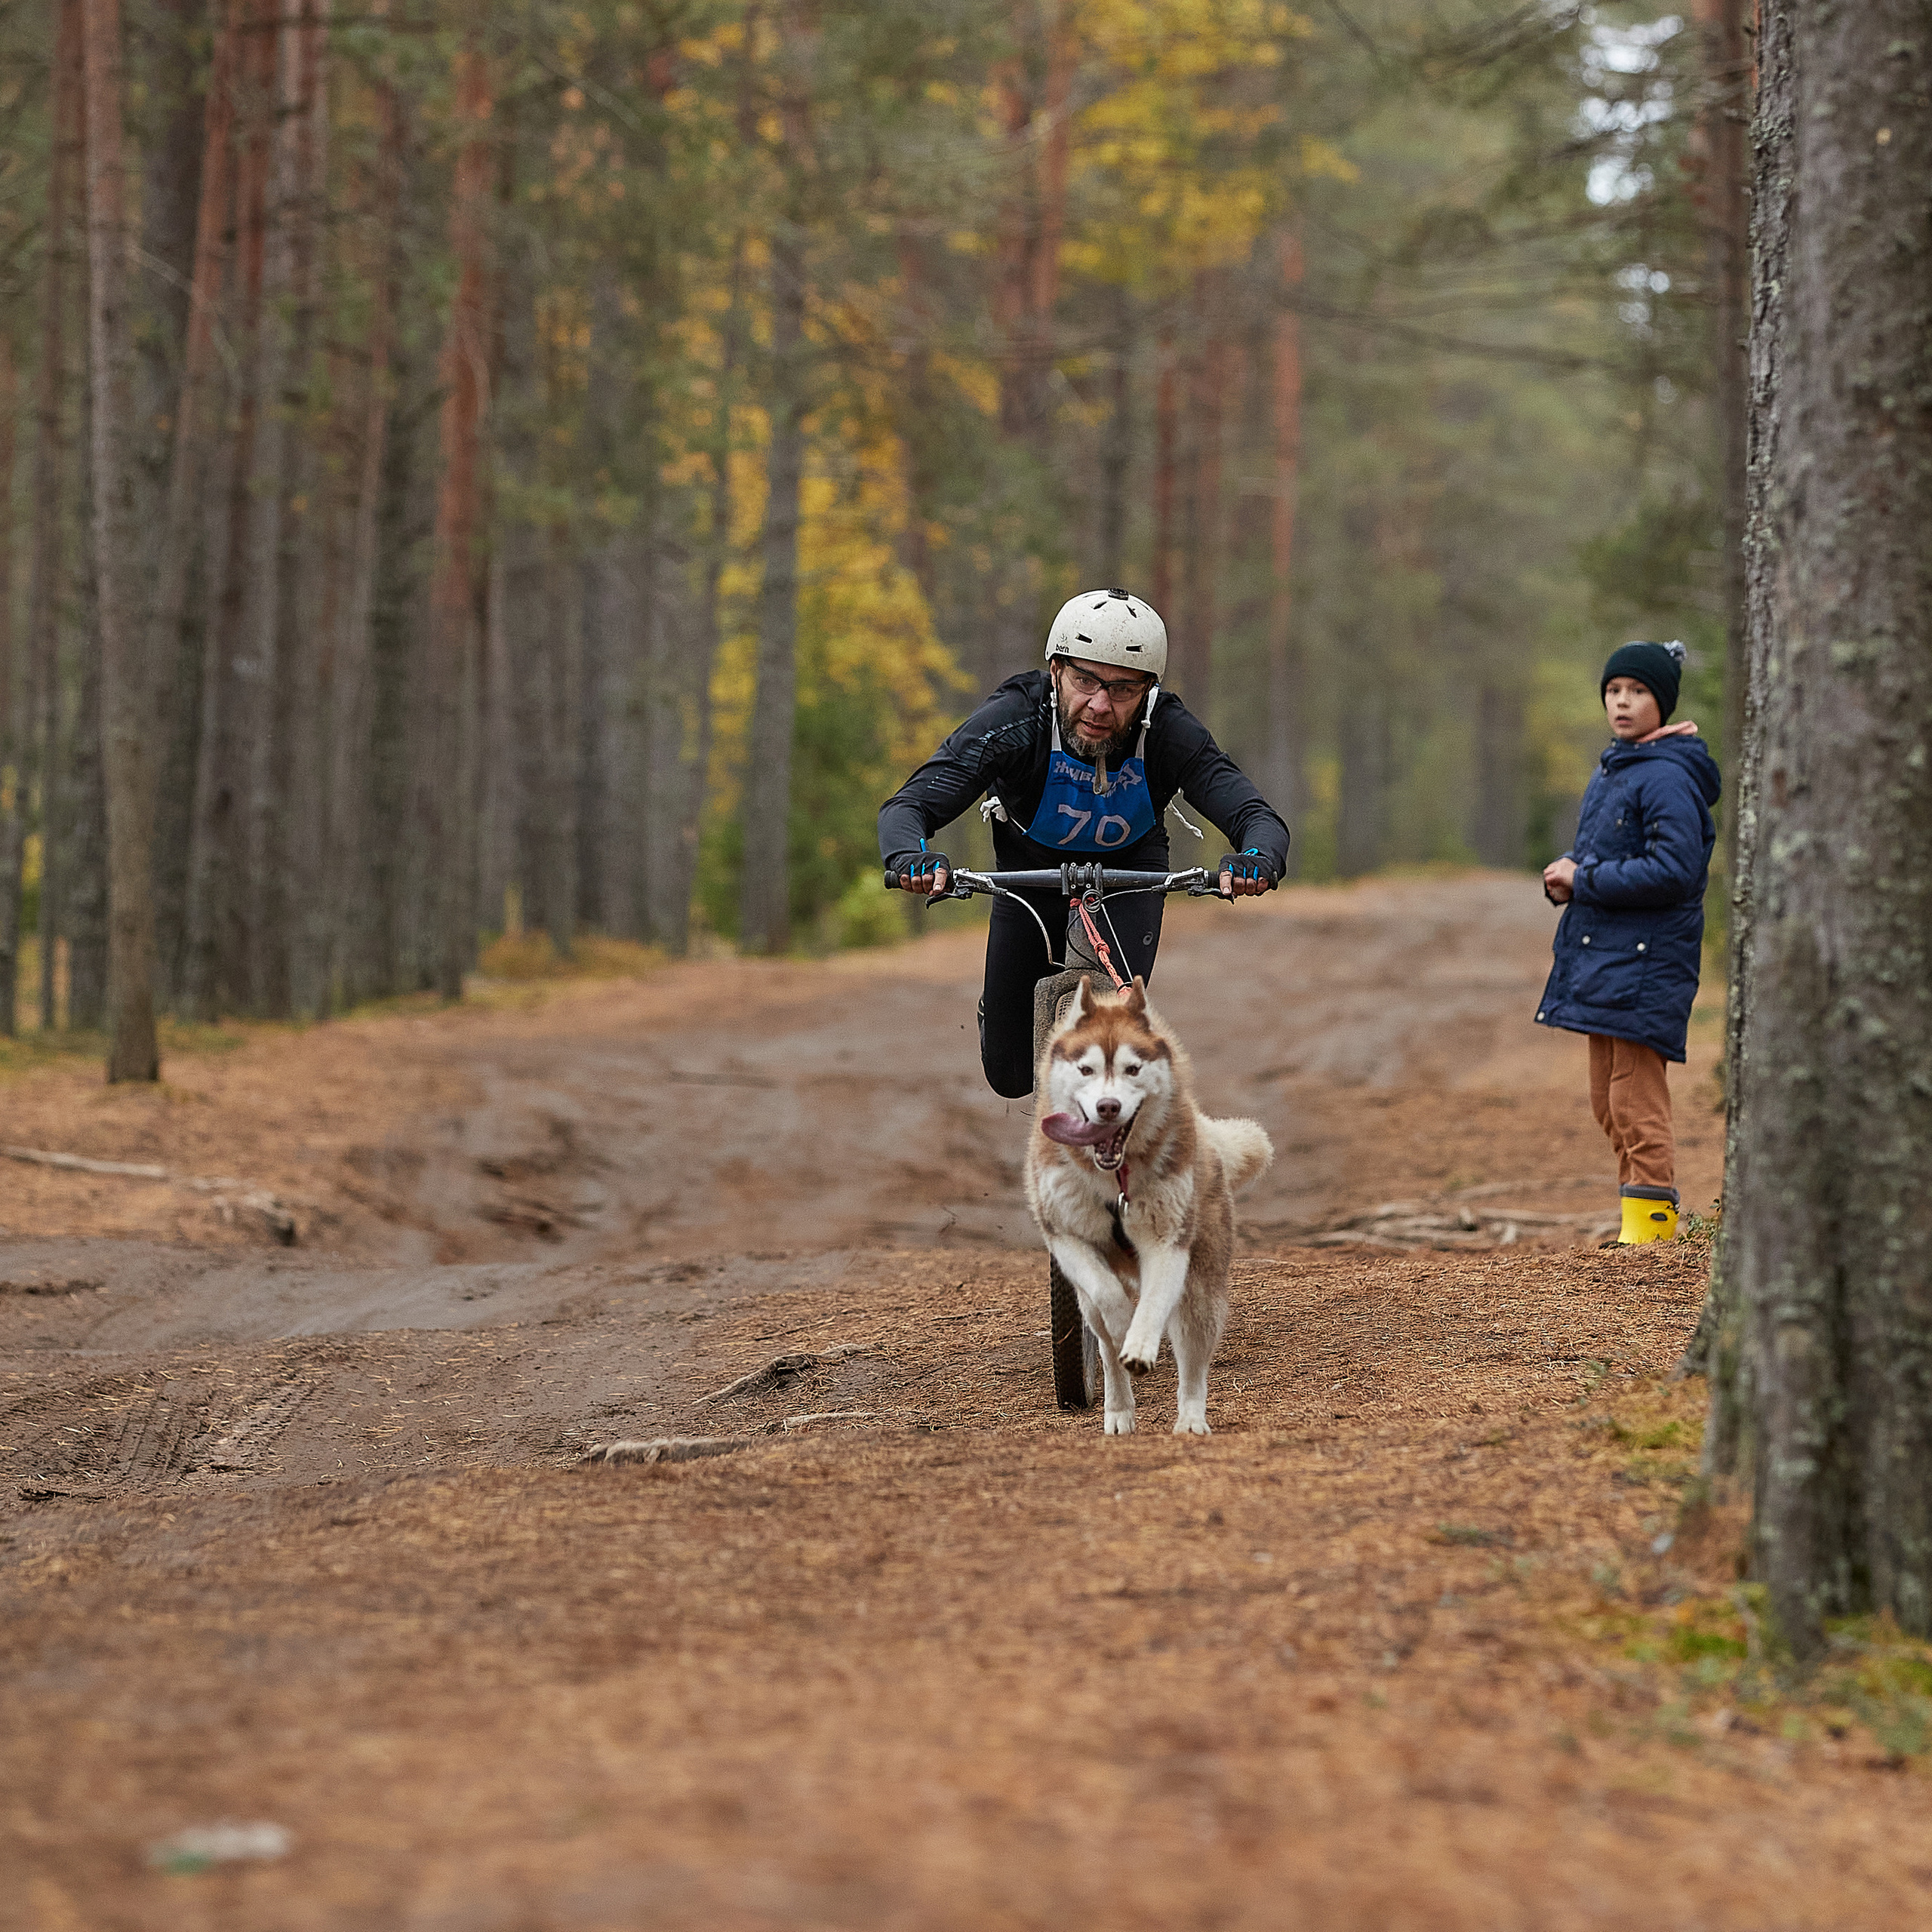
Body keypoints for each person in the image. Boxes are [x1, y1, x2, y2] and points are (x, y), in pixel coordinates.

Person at [878, 589, 1291, 1098]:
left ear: (1147, 692)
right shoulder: (1014, 720)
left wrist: (1255, 860)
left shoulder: (1167, 730)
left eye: (1123, 690)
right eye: (1085, 680)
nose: (1100, 705)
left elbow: (1256, 818)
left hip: (1129, 878)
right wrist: (910, 856)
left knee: (1111, 1042)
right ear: (1055, 671)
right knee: (1010, 1077)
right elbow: (909, 807)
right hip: (1029, 878)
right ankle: (1001, 1014)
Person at [1536, 640, 1721, 1244]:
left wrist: (1584, 879)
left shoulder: (1667, 775)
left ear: (1661, 703)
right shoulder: (1619, 766)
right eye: (1615, 690)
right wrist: (1572, 873)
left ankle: (1654, 1238)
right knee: (1608, 1101)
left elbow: (1676, 870)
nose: (1623, 702)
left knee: (1637, 1103)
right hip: (1608, 960)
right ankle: (1638, 1225)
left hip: (1646, 963)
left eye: (1638, 692)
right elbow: (1617, 856)